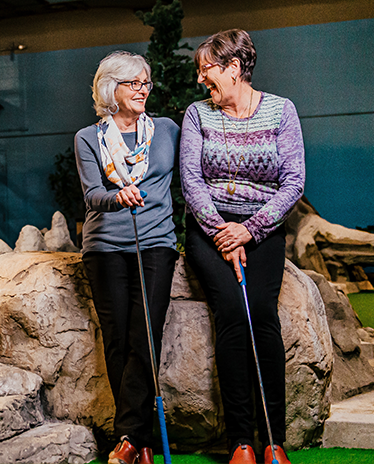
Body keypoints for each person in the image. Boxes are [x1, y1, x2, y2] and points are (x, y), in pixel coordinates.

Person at [180, 29, 304, 464]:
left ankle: (273, 440)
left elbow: (293, 183)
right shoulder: (197, 115)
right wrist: (221, 231)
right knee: (232, 312)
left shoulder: (281, 111)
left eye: (206, 70)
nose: (200, 81)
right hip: (208, 231)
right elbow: (191, 182)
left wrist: (249, 230)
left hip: (262, 232)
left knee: (263, 317)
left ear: (234, 68)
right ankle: (241, 442)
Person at [75, 50, 180, 464]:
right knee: (117, 342)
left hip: (155, 244)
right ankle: (142, 442)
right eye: (133, 83)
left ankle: (128, 439)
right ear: (110, 89)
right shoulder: (88, 138)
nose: (143, 90)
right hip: (103, 248)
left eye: (145, 83)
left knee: (145, 337)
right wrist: (118, 196)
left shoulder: (168, 130)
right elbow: (92, 196)